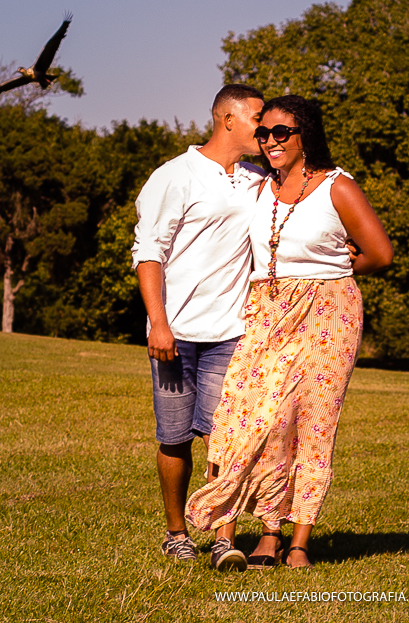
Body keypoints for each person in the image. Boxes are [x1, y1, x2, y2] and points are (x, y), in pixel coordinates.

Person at [185, 95, 392, 570]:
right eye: (264, 133)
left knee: (314, 423)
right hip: (267, 310)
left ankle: (296, 540)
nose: (271, 141)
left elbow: (380, 253)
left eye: (282, 133)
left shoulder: (337, 187)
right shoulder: (259, 189)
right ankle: (266, 529)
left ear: (305, 136)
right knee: (255, 417)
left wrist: (332, 269)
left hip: (329, 312)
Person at [131, 84, 266, 565]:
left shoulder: (255, 180)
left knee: (225, 436)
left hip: (231, 333)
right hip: (176, 334)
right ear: (227, 119)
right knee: (173, 436)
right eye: (257, 119)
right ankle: (176, 534)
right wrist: (158, 323)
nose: (264, 129)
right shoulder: (174, 175)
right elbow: (149, 252)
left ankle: (225, 539)